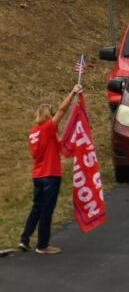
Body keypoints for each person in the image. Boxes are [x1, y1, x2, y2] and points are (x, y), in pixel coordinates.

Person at [20, 85, 81, 253]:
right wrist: (73, 92)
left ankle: (25, 239)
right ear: (48, 115)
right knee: (47, 209)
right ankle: (42, 245)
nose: (55, 116)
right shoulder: (47, 128)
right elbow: (62, 110)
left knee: (37, 207)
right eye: (52, 114)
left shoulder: (34, 132)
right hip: (50, 174)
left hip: (38, 175)